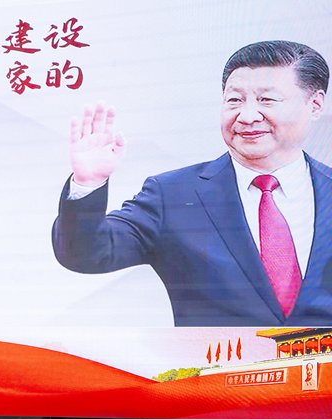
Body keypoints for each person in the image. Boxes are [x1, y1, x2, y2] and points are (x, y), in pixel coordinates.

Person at [52, 40, 332, 326]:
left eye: (267, 100)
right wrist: (88, 184)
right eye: (234, 100)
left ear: (315, 105)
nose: (247, 116)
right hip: (217, 356)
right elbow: (85, 254)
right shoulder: (173, 195)